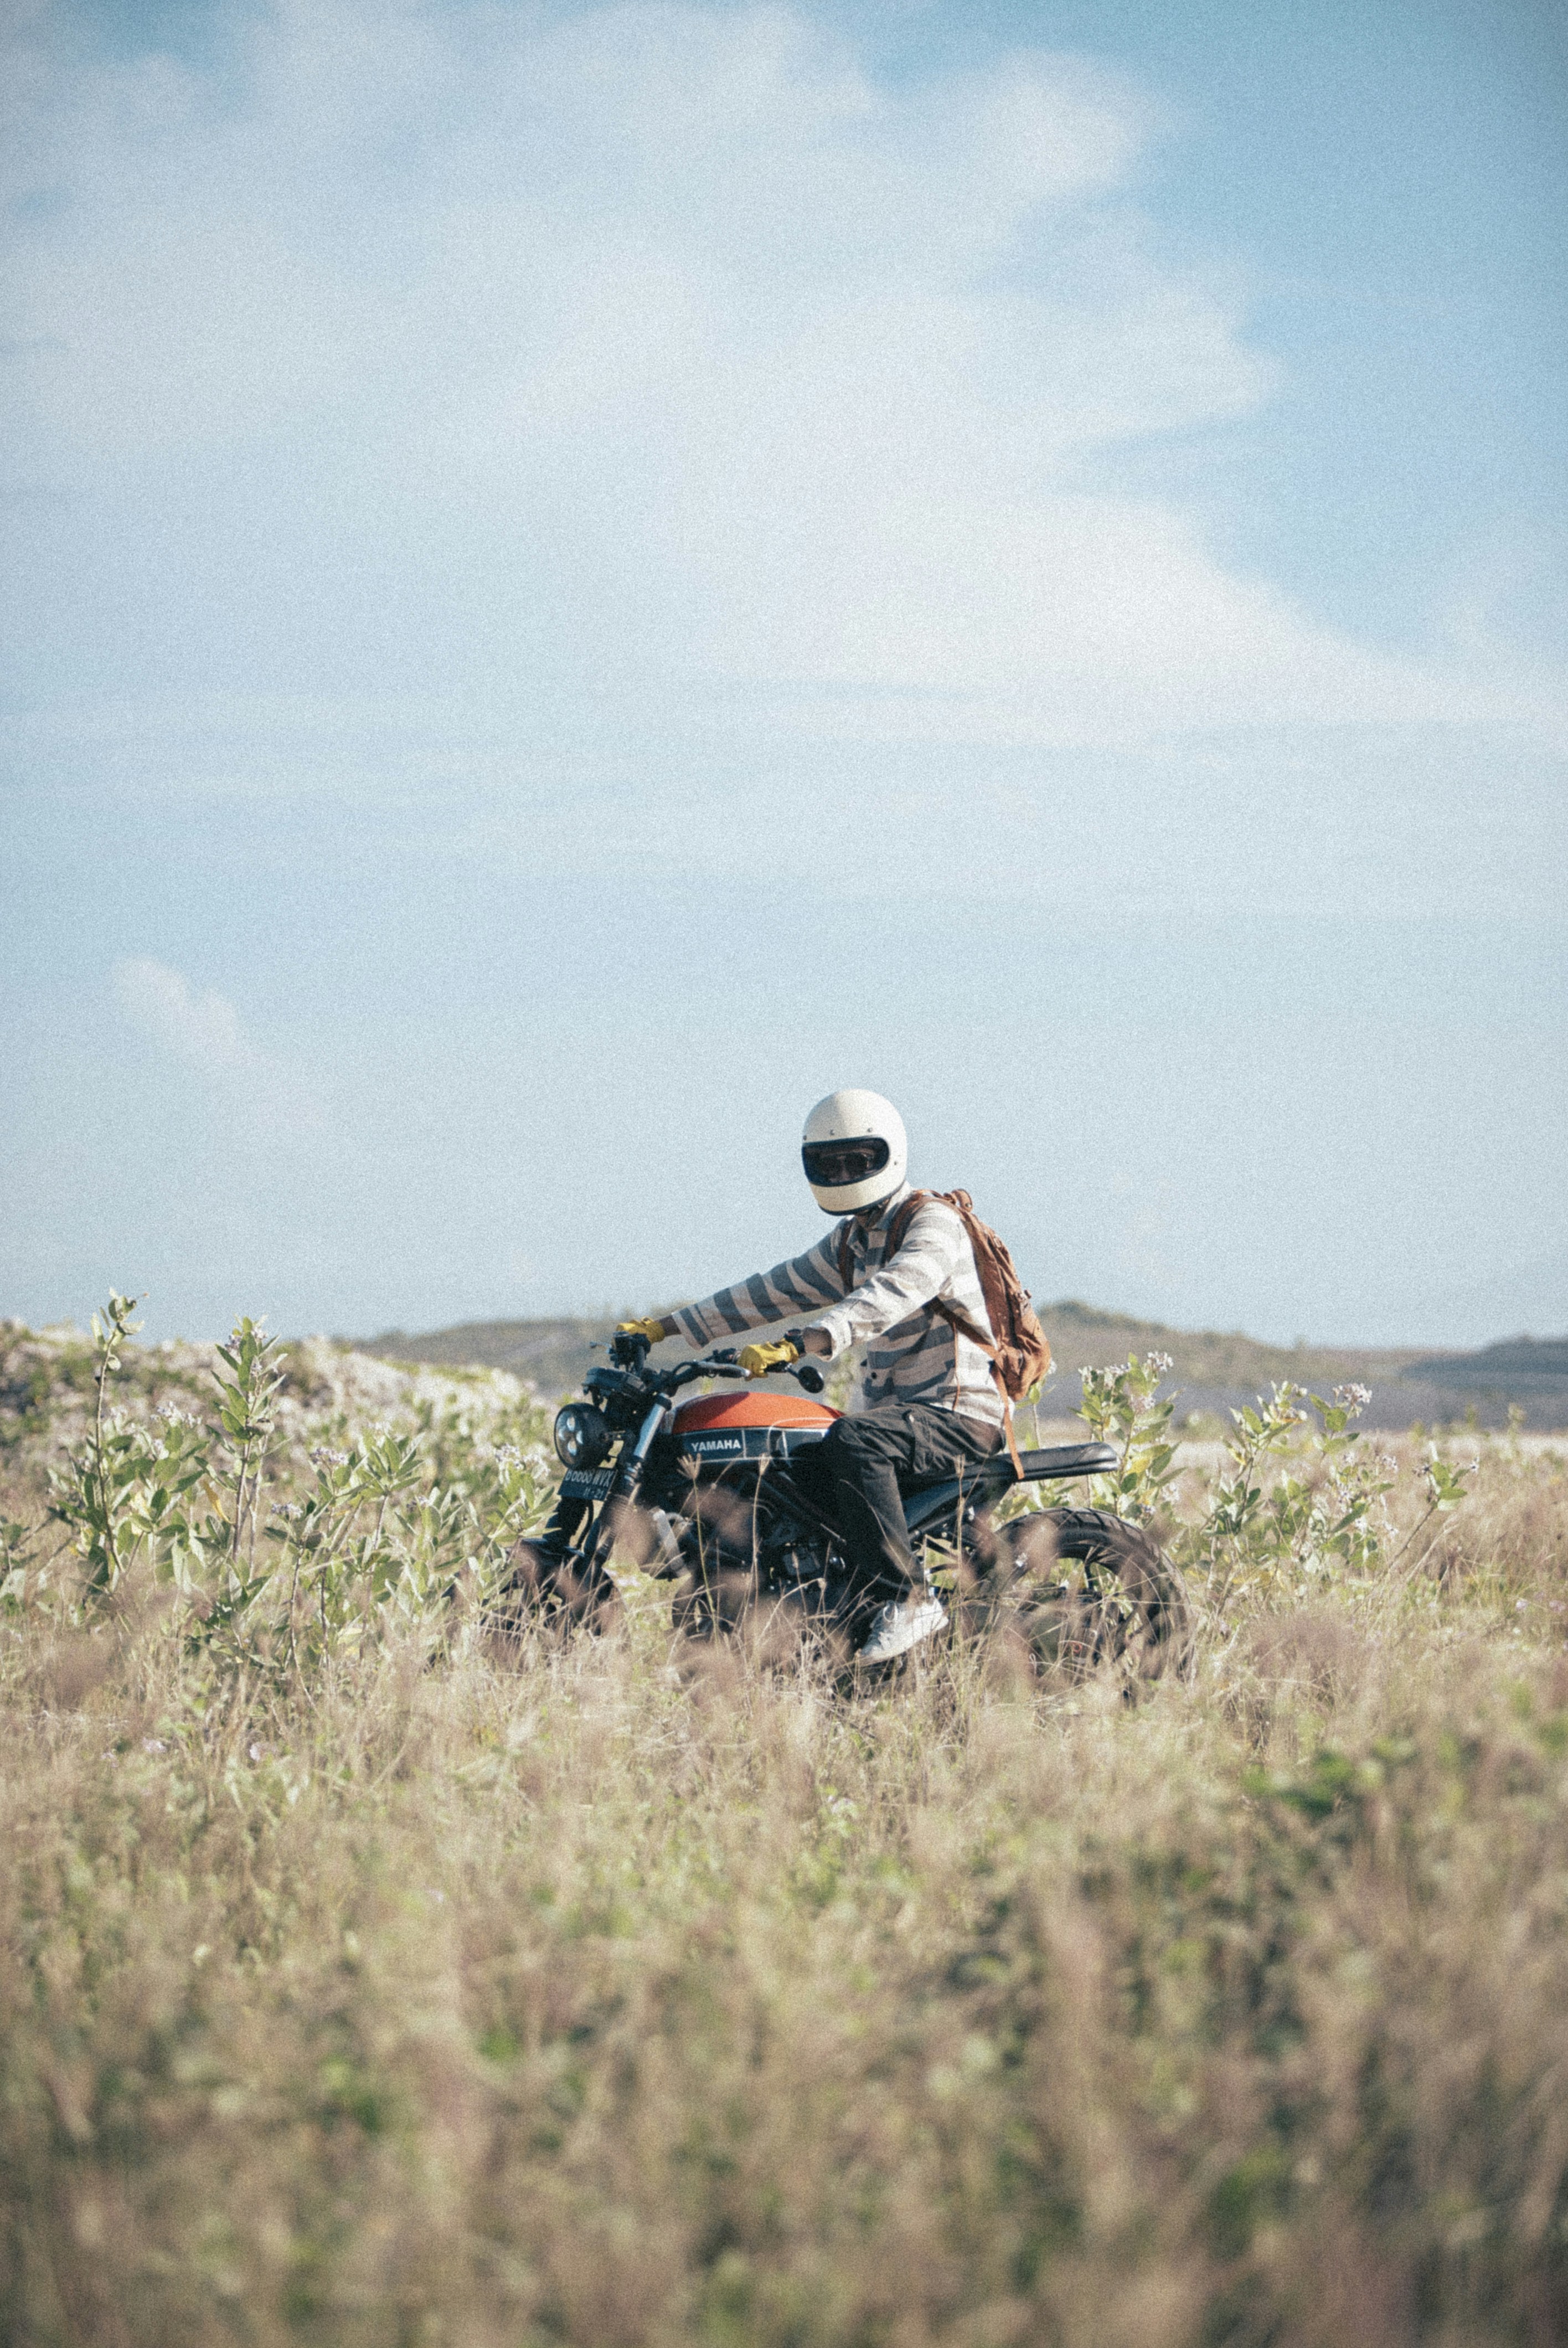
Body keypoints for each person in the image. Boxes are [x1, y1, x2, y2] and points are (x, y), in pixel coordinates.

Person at [618, 1088, 1007, 1662]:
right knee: (786, 1475)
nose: (845, 1171)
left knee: (854, 1439)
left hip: (958, 1415)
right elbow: (771, 1290)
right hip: (895, 1421)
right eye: (830, 1162)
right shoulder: (852, 1241)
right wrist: (666, 1326)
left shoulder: (933, 1223)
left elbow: (893, 1292)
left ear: (891, 1155)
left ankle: (909, 1599)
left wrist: (808, 1340)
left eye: (859, 1159)